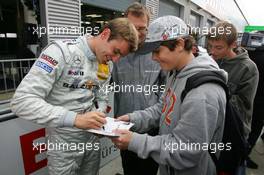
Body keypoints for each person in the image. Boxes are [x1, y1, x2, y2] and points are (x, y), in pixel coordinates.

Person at [11, 18, 138, 175]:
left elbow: (101, 94)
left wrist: (100, 111)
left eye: (121, 56)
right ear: (105, 34)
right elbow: (21, 101)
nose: (116, 59)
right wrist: (76, 119)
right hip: (63, 145)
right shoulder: (61, 53)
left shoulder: (107, 63)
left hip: (91, 140)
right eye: (116, 51)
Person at [111, 15, 227, 175]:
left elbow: (186, 151)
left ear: (179, 44)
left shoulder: (203, 93)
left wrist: (134, 141)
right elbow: (164, 108)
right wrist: (133, 119)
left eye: (157, 51)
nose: (153, 57)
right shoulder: (176, 73)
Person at [111, 3, 165, 175]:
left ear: (148, 27)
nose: (137, 32)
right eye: (132, 27)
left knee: (148, 171)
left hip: (152, 128)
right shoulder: (116, 52)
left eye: (142, 28)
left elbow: (167, 92)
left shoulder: (159, 52)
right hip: (125, 125)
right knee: (129, 169)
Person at [207, 21, 259, 174]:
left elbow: (242, 107)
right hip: (212, 128)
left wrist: (215, 88)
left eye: (218, 47)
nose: (213, 52)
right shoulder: (212, 60)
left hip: (233, 131)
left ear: (233, 44)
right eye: (210, 46)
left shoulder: (249, 68)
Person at [246, 48, 264, 169]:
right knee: (255, 128)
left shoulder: (252, 52)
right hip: (260, 102)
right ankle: (244, 155)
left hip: (249, 98)